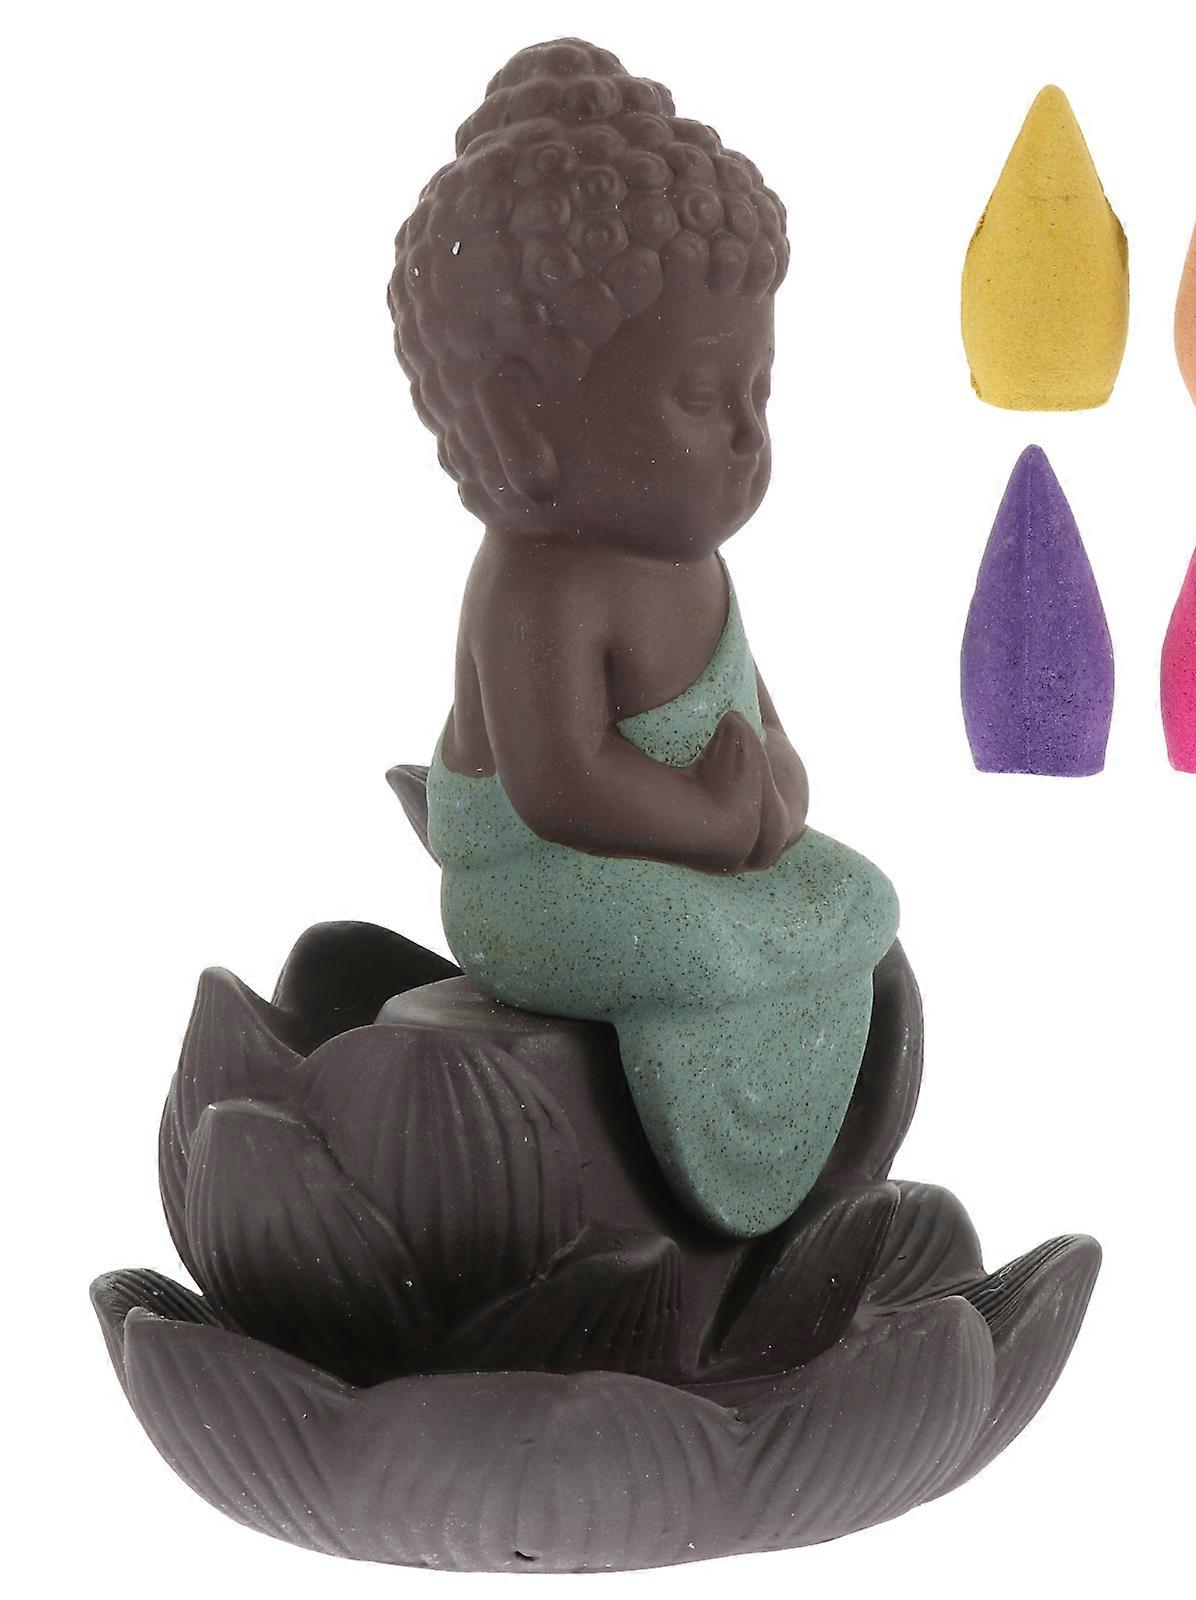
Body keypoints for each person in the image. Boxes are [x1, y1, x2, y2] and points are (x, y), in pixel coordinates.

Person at [390, 40, 899, 1238]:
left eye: (759, 393)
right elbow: (563, 783)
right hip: (539, 881)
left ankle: (774, 1189)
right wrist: (713, 822)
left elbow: (764, 726)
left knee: (860, 895)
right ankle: (702, 1188)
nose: (747, 437)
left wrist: (774, 793)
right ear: (525, 425)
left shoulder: (698, 569)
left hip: (696, 860)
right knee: (695, 947)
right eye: (703, 397)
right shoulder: (537, 589)